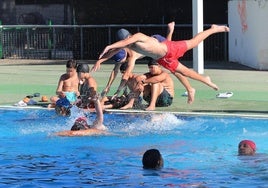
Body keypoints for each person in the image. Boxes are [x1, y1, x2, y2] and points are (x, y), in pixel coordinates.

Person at [99, 24, 230, 104]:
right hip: (164, 58)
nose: (126, 42)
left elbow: (120, 46)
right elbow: (115, 50)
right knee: (184, 72)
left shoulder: (137, 36)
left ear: (128, 36)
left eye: (125, 40)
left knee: (194, 42)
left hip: (169, 49)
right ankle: (201, 82)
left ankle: (213, 29)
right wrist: (101, 59)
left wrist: (109, 45)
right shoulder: (129, 46)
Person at [92, 22, 175, 98]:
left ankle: (170, 30)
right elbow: (114, 69)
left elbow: (126, 75)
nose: (121, 63)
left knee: (167, 51)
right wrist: (99, 62)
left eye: (121, 61)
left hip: (157, 41)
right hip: (148, 44)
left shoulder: (132, 55)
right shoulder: (123, 47)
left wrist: (117, 91)